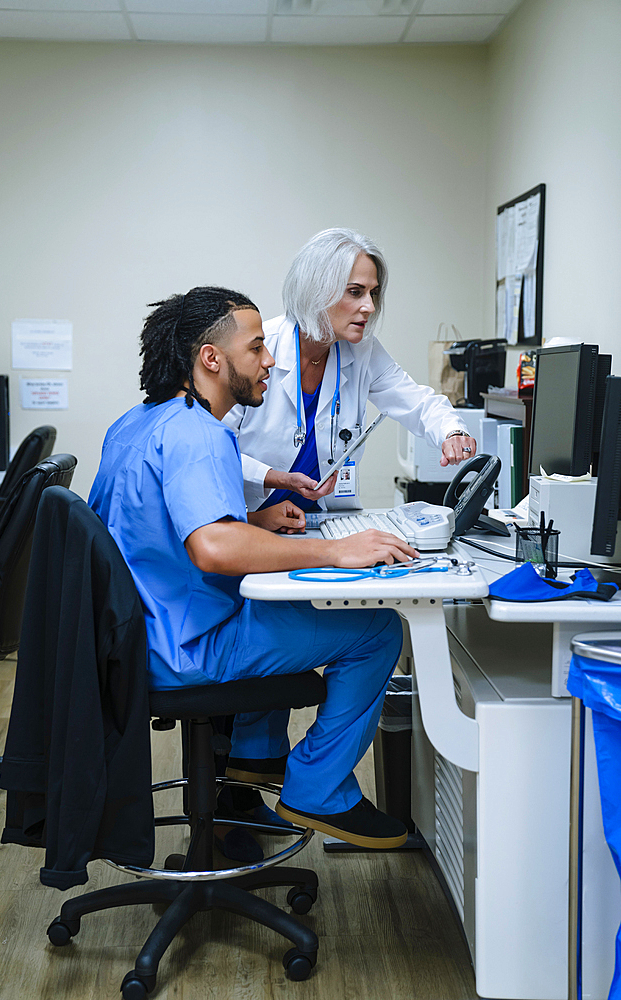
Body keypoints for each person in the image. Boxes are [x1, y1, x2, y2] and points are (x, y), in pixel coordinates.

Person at [88, 286, 418, 849]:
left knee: (283, 598)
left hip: (132, 639)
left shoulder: (138, 422)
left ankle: (257, 759)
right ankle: (319, 790)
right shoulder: (201, 433)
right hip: (185, 650)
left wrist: (253, 522)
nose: (270, 361)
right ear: (211, 359)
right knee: (377, 629)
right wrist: (338, 549)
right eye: (258, 347)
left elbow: (153, 523)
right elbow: (212, 550)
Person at [223, 228, 478, 517]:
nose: (369, 306)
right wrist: (276, 477)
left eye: (373, 293)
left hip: (324, 520)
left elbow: (416, 402)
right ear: (316, 290)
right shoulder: (259, 346)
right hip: (250, 518)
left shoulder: (361, 350)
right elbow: (214, 447)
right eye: (355, 292)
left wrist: (452, 432)